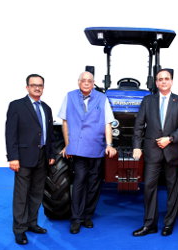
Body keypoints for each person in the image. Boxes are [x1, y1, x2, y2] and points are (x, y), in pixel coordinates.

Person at [132, 68, 178, 237]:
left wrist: (170, 139)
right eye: (160, 79)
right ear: (156, 82)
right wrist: (137, 146)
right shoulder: (148, 100)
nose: (163, 81)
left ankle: (169, 224)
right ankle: (149, 224)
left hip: (172, 151)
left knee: (173, 189)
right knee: (149, 188)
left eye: (166, 78)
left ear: (171, 81)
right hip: (152, 152)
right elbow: (139, 125)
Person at [58, 71, 117, 234]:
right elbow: (65, 121)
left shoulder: (102, 98)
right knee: (79, 183)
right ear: (78, 82)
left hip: (96, 147)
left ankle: (87, 216)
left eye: (89, 81)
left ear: (93, 83)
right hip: (78, 149)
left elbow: (107, 123)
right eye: (83, 80)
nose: (86, 83)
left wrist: (109, 144)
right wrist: (68, 145)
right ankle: (76, 218)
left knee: (94, 184)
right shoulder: (69, 97)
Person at [5, 74, 55, 245]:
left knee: (36, 193)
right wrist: (13, 158)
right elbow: (10, 134)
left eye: (40, 85)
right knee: (21, 195)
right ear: (27, 87)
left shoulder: (46, 108)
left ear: (43, 87)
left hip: (42, 157)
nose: (37, 88)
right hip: (23, 158)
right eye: (33, 85)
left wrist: (51, 155)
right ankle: (19, 229)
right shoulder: (17, 106)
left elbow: (49, 135)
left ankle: (32, 223)